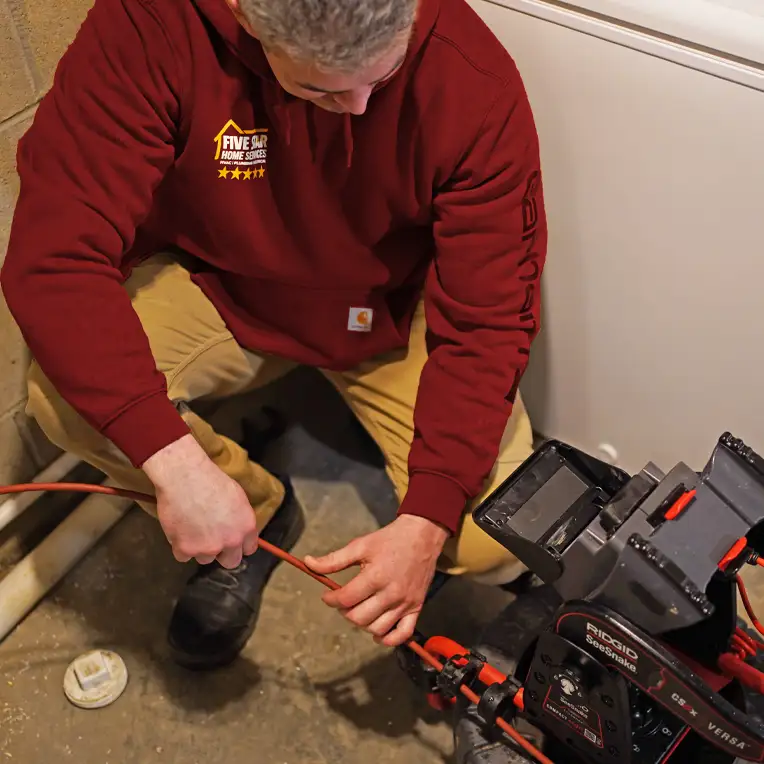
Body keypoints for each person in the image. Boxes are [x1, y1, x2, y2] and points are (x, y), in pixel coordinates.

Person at [0, 0, 547, 669]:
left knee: (492, 538)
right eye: (320, 87)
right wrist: (176, 467)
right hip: (226, 287)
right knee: (65, 402)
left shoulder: (471, 77)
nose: (358, 109)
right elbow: (55, 259)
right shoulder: (150, 27)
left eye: (385, 75)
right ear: (246, 18)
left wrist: (429, 517)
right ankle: (255, 517)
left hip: (386, 309)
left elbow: (490, 319)